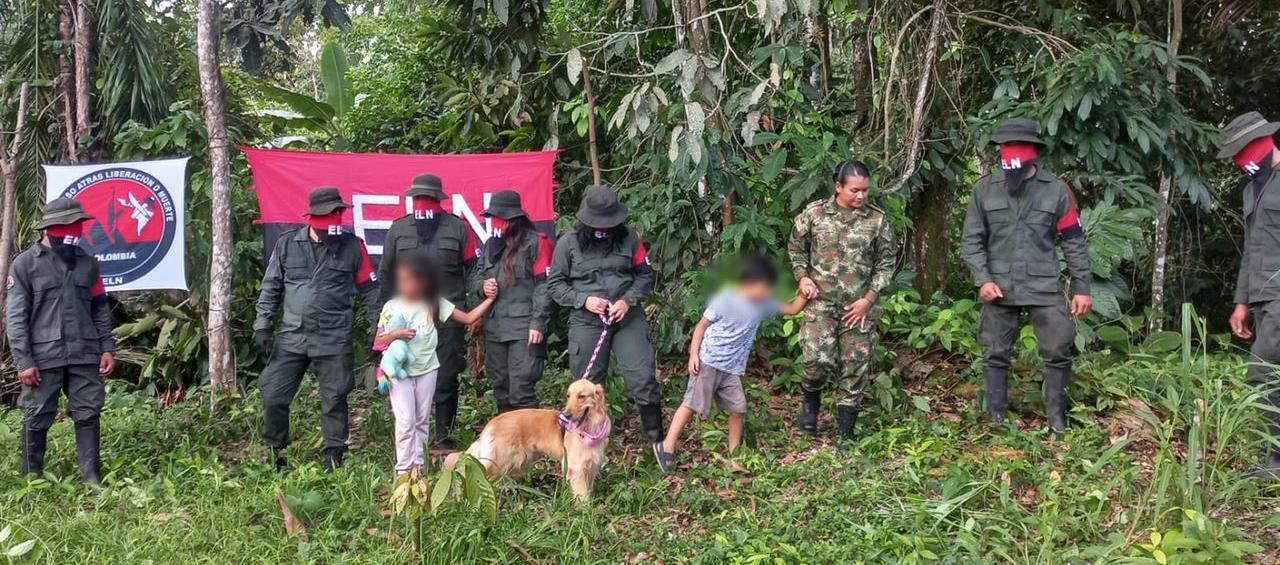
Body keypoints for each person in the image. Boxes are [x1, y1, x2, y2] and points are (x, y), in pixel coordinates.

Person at [961, 118, 1092, 433]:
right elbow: (972, 240)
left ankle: (1056, 420)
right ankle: (996, 418)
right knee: (995, 351)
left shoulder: (1057, 191)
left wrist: (1082, 287)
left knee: (1059, 347)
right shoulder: (984, 190)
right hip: (998, 284)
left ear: (1033, 154)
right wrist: (983, 278)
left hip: (1043, 283)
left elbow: (1073, 241)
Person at [254, 186, 381, 471]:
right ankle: (276, 453)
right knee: (274, 394)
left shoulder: (352, 246)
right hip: (292, 336)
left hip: (333, 336)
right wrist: (262, 324)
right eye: (330, 213)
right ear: (313, 216)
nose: (336, 218)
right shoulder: (287, 245)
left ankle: (333, 457)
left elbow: (371, 291)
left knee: (335, 398)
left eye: (339, 212)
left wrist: (378, 328)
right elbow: (271, 286)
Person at [654, 257, 808, 473]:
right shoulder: (725, 298)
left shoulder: (764, 302)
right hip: (709, 361)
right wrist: (693, 355)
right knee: (691, 404)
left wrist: (805, 292)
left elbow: (792, 309)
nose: (766, 292)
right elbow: (701, 325)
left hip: (732, 368)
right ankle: (667, 445)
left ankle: (735, 459)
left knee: (738, 409)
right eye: (763, 287)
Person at [546, 184, 665, 460]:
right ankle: (583, 452)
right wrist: (583, 299)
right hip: (587, 321)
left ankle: (657, 443)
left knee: (642, 377)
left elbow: (644, 275)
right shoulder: (568, 243)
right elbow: (555, 284)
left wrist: (628, 300)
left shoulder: (630, 239)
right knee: (587, 386)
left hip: (626, 318)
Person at [786, 160, 898, 440]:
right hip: (820, 303)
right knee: (816, 360)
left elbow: (886, 265)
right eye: (854, 190)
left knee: (855, 365)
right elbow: (796, 248)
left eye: (865, 191)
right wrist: (802, 277)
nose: (861, 196)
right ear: (838, 187)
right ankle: (810, 404)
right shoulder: (814, 214)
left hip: (858, 307)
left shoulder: (877, 221)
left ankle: (846, 433)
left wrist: (869, 299)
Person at [7, 198, 116, 483]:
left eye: (77, 225)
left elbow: (99, 308)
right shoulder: (25, 265)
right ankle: (32, 479)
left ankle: (92, 478)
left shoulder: (88, 264)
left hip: (84, 352)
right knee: (37, 415)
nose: (73, 231)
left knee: (88, 412)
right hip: (43, 357)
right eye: (66, 225)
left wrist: (107, 347)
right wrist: (24, 361)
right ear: (49, 228)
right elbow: (16, 317)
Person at [378, 173, 480, 450]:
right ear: (412, 200)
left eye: (429, 200)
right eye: (419, 200)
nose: (424, 205)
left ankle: (442, 437)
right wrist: (384, 320)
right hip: (406, 321)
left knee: (446, 376)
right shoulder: (398, 230)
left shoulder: (458, 228)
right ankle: (408, 436)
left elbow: (472, 270)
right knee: (405, 375)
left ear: (439, 201)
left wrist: (474, 307)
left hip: (446, 316)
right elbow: (386, 274)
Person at [375, 254, 498, 474]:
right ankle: (403, 472)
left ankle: (418, 469)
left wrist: (489, 300)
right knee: (405, 422)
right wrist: (396, 334)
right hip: (399, 372)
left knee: (421, 421)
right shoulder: (391, 306)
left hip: (427, 370)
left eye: (408, 280)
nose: (403, 285)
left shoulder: (434, 303)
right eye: (400, 280)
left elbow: (468, 318)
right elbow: (378, 341)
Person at [1219, 111, 1280, 478]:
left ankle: (1276, 459)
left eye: (1241, 152)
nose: (1240, 162)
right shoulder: (1251, 189)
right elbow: (1251, 248)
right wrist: (1242, 302)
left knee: (1263, 371)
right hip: (1261, 296)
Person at [468, 190, 555, 411]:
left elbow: (545, 285)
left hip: (524, 327)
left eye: (499, 217)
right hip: (495, 327)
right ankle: (509, 444)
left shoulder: (536, 243)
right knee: (501, 389)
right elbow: (476, 276)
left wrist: (538, 323)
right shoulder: (490, 245)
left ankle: (531, 445)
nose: (494, 222)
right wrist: (482, 287)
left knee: (521, 390)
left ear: (512, 219)